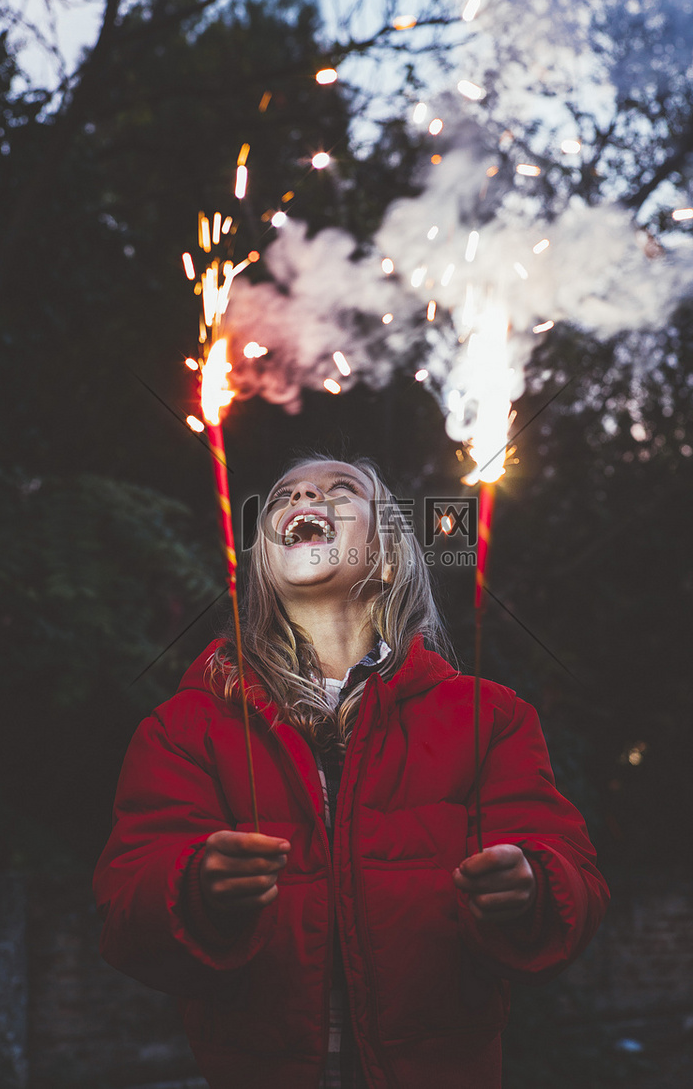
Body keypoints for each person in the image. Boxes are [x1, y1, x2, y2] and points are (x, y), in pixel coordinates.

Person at [93, 455, 609, 1089]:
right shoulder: (183, 728)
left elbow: (576, 886)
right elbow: (125, 917)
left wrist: (532, 886)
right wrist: (196, 890)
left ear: (388, 558)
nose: (306, 493)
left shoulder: (490, 718)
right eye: (287, 493)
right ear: (262, 565)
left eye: (343, 490)